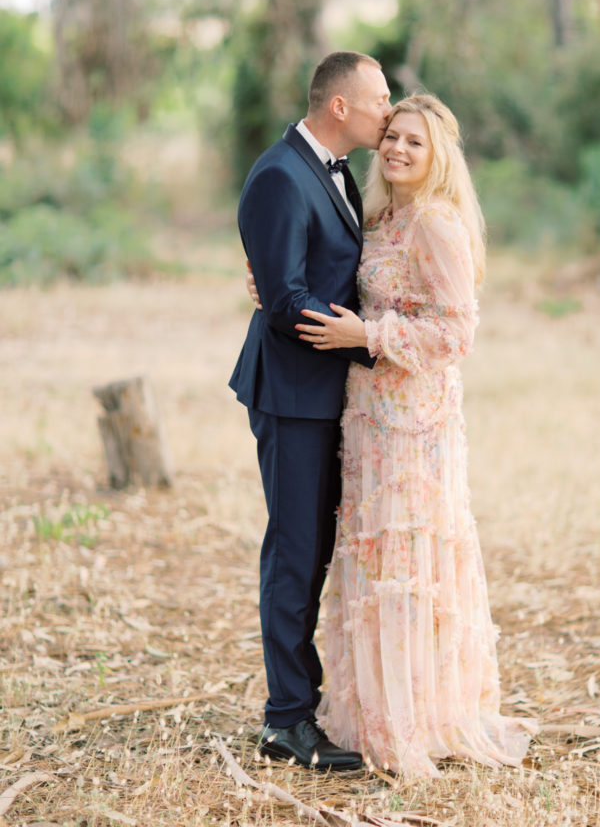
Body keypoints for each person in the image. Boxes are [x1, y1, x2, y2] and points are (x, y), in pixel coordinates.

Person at [295, 94, 537, 777]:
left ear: (439, 159)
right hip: (368, 416)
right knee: (373, 557)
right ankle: (374, 711)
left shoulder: (436, 224)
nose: (398, 150)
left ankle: (421, 716)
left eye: (415, 144)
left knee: (410, 560)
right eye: (393, 138)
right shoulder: (383, 217)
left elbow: (458, 333)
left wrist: (367, 335)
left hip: (417, 425)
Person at [229, 51, 392, 771]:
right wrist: (374, 347)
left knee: (315, 550)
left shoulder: (333, 169)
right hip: (292, 395)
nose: (388, 112)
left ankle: (304, 699)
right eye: (379, 99)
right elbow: (286, 305)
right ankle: (286, 720)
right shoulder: (278, 176)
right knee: (295, 555)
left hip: (323, 395)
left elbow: (317, 274)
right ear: (340, 108)